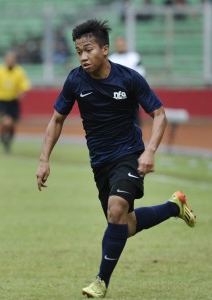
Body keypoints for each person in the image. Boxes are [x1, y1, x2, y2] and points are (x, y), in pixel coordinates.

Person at [35, 19, 196, 298]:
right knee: (124, 225)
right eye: (78, 51)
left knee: (116, 208)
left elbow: (159, 114)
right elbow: (57, 120)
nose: (83, 57)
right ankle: (174, 207)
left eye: (88, 49)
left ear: (105, 49)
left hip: (130, 155)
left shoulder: (129, 79)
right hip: (100, 163)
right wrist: (43, 159)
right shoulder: (75, 80)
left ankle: (101, 281)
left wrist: (149, 151)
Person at [0, 50, 31, 152]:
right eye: (9, 59)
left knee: (12, 125)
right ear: (5, 60)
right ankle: (3, 136)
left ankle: (8, 139)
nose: (10, 61)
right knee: (6, 122)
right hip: (1, 100)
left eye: (12, 59)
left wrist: (21, 93)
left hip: (13, 101)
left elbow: (25, 86)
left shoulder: (19, 72)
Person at [109, 35, 146, 125]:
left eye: (122, 44)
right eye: (118, 44)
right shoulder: (111, 59)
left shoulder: (134, 57)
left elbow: (140, 73)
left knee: (135, 119)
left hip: (132, 92)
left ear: (125, 44)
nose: (120, 46)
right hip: (116, 93)